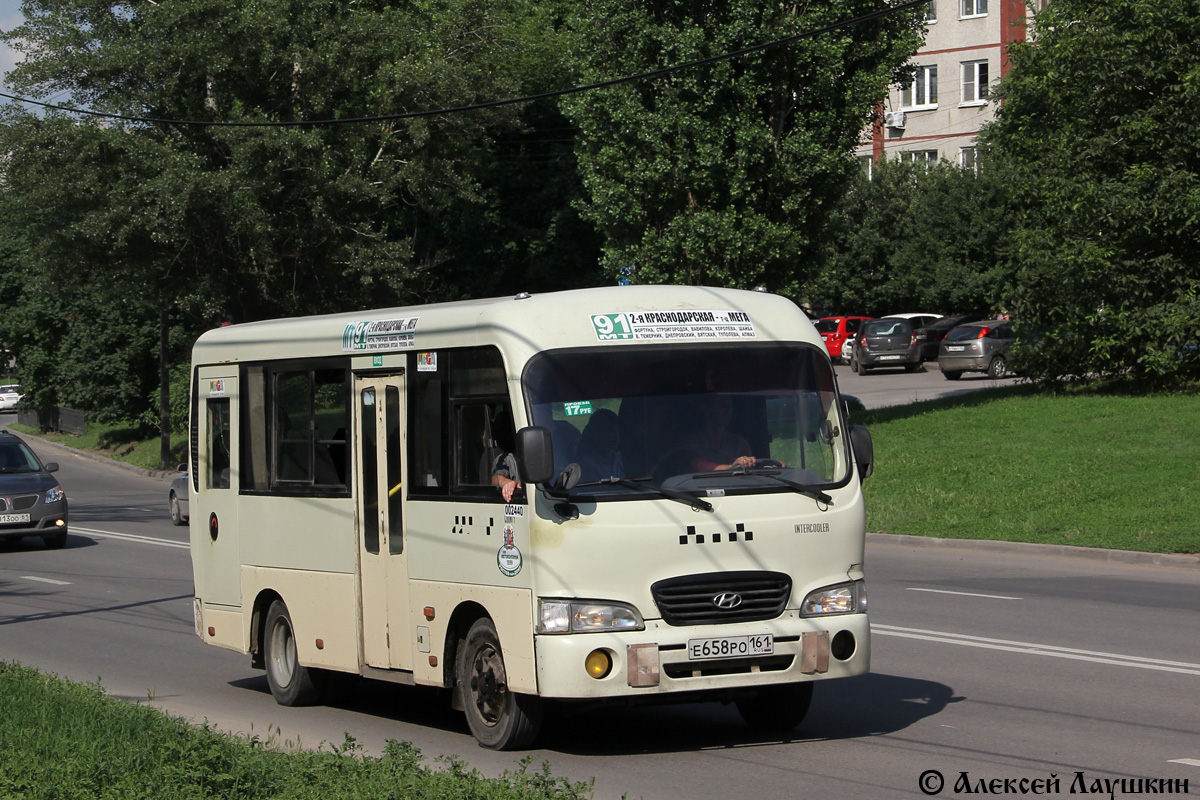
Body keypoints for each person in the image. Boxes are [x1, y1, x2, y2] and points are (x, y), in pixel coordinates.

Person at [687, 394, 755, 471]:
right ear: (706, 408)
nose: (728, 410)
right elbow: (698, 465)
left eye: (730, 405)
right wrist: (733, 467)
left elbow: (749, 470)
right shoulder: (691, 443)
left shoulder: (739, 443)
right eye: (722, 405)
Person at [574, 409, 625, 482]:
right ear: (597, 433)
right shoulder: (586, 466)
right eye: (609, 430)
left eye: (616, 430)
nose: (615, 435)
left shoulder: (620, 459)